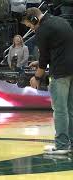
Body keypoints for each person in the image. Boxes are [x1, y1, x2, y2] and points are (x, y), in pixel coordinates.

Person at [22, 7, 73, 155]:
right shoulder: (61, 21)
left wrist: (36, 77)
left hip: (60, 73)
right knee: (70, 109)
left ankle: (62, 145)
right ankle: (71, 143)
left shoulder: (43, 30)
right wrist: (39, 62)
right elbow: (60, 48)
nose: (30, 29)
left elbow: (45, 59)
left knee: (60, 110)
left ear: (34, 19)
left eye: (29, 25)